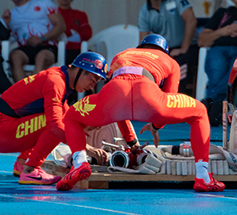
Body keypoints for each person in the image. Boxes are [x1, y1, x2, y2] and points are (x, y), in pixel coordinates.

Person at [56, 34, 224, 193]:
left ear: (140, 47)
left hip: (114, 94)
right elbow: (170, 97)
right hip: (148, 94)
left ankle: (79, 164)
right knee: (200, 112)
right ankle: (203, 177)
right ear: (164, 50)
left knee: (71, 116)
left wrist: (132, 143)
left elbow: (120, 111)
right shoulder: (171, 62)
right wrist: (156, 125)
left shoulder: (123, 54)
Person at [0, 52, 107, 185]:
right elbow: (56, 126)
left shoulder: (60, 77)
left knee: (61, 119)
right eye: (93, 79)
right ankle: (30, 170)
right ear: (81, 70)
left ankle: (22, 163)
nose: (92, 87)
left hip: (3, 127)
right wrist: (85, 149)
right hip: (1, 132)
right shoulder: (55, 82)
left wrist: (85, 125)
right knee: (56, 123)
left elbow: (70, 117)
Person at [138, 0, 198, 95]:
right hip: (164, 51)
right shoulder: (144, 11)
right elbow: (143, 43)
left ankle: (176, 104)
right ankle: (155, 103)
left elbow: (191, 20)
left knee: (178, 67)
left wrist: (183, 48)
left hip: (187, 48)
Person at [2, 0, 66, 83]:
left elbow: (61, 26)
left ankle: (30, 94)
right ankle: (25, 95)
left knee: (41, 58)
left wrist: (42, 38)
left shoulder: (43, 3)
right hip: (26, 49)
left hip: (47, 46)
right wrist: (5, 23)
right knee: (14, 57)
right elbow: (4, 37)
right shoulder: (9, 15)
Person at [54, 0, 92, 65]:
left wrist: (68, 36)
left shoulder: (80, 15)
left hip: (79, 50)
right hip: (60, 51)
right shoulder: (53, 15)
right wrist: (76, 35)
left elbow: (87, 33)